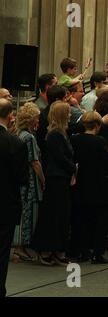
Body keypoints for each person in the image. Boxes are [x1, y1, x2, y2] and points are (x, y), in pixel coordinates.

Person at [71, 112, 108, 264]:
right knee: (101, 221)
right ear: (98, 125)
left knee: (83, 219)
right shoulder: (100, 141)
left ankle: (82, 250)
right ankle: (98, 253)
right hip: (100, 185)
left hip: (82, 183)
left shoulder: (75, 139)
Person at [33, 101, 76, 265]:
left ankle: (56, 249)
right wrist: (74, 168)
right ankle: (48, 249)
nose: (71, 115)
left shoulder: (60, 133)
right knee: (55, 214)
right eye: (68, 113)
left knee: (60, 214)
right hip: (56, 178)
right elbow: (60, 157)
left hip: (61, 177)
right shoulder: (55, 135)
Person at [0, 98, 28, 297]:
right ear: (11, 116)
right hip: (5, 204)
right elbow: (22, 178)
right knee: (2, 251)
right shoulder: (15, 143)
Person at [12, 103, 44, 263]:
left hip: (21, 179)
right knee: (28, 213)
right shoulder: (29, 137)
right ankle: (20, 246)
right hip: (30, 180)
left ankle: (20, 247)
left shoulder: (19, 134)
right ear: (31, 119)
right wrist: (43, 180)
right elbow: (35, 162)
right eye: (37, 117)